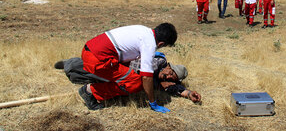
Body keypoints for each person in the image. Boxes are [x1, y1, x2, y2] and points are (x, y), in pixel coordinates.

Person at [73, 23, 177, 111]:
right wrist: (152, 102)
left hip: (90, 49)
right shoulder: (149, 44)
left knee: (128, 73)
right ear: (161, 43)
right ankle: (90, 91)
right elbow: (146, 77)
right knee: (136, 83)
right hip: (97, 59)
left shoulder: (143, 30)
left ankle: (111, 88)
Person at [54, 52, 201, 109]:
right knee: (77, 69)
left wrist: (188, 94)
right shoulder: (159, 62)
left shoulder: (163, 79)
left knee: (78, 78)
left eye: (172, 79)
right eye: (171, 73)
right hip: (116, 68)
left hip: (117, 78)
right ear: (169, 67)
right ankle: (68, 62)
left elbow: (175, 88)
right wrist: (155, 82)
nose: (168, 77)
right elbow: (139, 70)